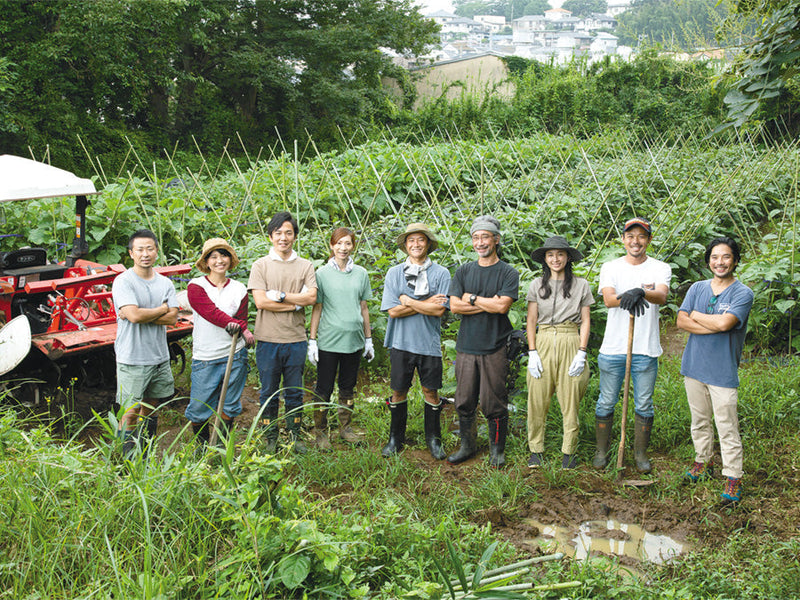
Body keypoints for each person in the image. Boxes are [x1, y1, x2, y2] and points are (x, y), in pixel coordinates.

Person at [677, 237, 753, 504]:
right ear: (708, 260)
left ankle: (733, 477)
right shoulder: (697, 288)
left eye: (726, 257)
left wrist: (697, 315)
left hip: (722, 372)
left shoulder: (743, 293)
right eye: (715, 257)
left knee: (727, 426)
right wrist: (708, 321)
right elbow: (680, 320)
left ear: (735, 260)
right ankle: (703, 460)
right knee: (699, 421)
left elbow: (725, 324)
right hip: (694, 367)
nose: (720, 262)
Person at [593, 217, 672, 473]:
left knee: (644, 404)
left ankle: (639, 454)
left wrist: (642, 292)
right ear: (623, 239)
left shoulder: (660, 268)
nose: (635, 241)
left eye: (641, 236)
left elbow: (660, 295)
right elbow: (608, 299)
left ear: (648, 240)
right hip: (614, 347)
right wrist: (631, 293)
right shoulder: (611, 267)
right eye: (630, 236)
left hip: (645, 348)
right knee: (606, 401)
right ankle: (602, 452)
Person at [448, 215, 519, 468]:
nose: (480, 242)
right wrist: (489, 303)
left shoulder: (508, 273)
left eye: (485, 237)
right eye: (476, 237)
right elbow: (454, 306)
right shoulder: (464, 271)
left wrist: (473, 299)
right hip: (467, 346)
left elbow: (502, 307)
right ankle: (467, 445)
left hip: (495, 346)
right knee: (464, 398)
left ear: (496, 239)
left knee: (494, 400)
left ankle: (496, 451)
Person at [248, 211, 317, 453]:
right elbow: (261, 302)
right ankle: (270, 437)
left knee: (294, 391)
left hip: (296, 339)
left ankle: (295, 436)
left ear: (295, 236)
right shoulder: (260, 266)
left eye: (288, 232)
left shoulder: (305, 265)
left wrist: (282, 296)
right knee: (268, 391)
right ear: (270, 237)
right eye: (278, 233)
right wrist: (295, 304)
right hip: (267, 339)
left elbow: (312, 297)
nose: (283, 238)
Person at [380, 223, 451, 459]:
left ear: (428, 244)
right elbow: (393, 311)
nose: (416, 244)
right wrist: (427, 303)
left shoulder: (441, 273)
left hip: (428, 343)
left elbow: (439, 311)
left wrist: (408, 301)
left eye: (421, 240)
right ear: (405, 245)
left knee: (431, 391)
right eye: (411, 241)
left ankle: (434, 439)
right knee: (399, 390)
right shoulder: (394, 273)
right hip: (401, 342)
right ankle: (395, 439)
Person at [526, 236, 594, 470]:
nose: (555, 259)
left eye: (560, 254)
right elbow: (531, 320)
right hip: (543, 339)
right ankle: (536, 450)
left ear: (567, 257)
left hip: (570, 339)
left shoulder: (581, 285)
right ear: (545, 259)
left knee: (571, 398)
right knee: (537, 398)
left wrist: (581, 351)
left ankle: (569, 451)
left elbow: (585, 321)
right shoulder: (536, 285)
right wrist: (532, 352)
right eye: (550, 255)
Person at [112, 229, 179, 457]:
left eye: (150, 248)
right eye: (140, 249)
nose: (145, 254)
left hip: (159, 357)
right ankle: (125, 461)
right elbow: (134, 316)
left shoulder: (165, 283)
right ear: (131, 253)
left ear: (157, 251)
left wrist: (140, 313)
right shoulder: (123, 282)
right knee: (129, 412)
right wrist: (161, 309)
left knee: (150, 408)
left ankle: (145, 453)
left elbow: (173, 318)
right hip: (132, 357)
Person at [184, 238, 255, 447]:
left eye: (223, 255)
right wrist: (241, 328)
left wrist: (242, 327)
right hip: (206, 355)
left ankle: (220, 447)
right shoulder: (195, 287)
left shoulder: (239, 288)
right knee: (198, 409)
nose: (219, 261)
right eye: (213, 257)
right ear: (206, 262)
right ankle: (202, 448)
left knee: (230, 404)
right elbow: (211, 313)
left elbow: (242, 317)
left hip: (235, 354)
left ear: (230, 260)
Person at [308, 227, 374, 450]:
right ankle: (321, 432)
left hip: (353, 341)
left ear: (353, 245)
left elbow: (363, 307)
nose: (343, 248)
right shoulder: (322, 274)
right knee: (324, 387)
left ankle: (345, 428)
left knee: (348, 386)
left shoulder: (361, 274)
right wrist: (313, 340)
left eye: (347, 243)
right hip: (329, 340)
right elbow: (317, 308)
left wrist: (368, 339)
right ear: (331, 245)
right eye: (339, 243)